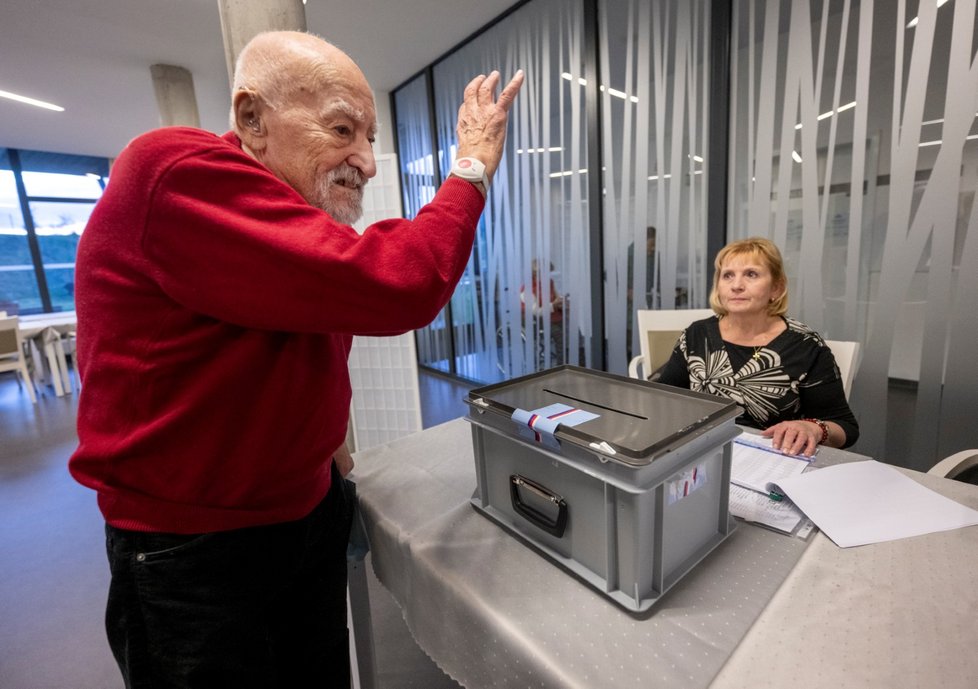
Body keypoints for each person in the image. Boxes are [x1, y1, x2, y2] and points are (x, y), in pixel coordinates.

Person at [68, 30, 523, 687]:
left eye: (369, 138)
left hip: (304, 515)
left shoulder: (291, 221)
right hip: (196, 551)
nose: (366, 162)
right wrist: (472, 167)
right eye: (343, 130)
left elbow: (299, 346)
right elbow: (400, 282)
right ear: (252, 118)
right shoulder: (171, 169)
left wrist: (325, 461)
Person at [655, 237, 858, 456]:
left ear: (776, 288)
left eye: (751, 274)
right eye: (728, 275)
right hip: (703, 454)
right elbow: (664, 399)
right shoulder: (697, 334)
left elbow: (845, 427)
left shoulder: (806, 346)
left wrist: (815, 428)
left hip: (772, 460)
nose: (736, 286)